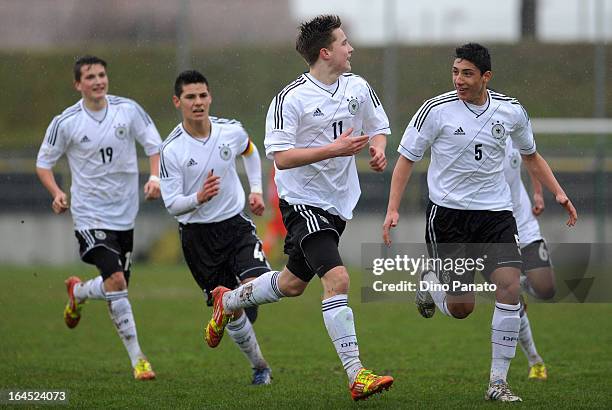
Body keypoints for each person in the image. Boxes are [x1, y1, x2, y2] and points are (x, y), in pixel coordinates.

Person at [203, 15, 393, 401]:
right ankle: (357, 374)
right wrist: (334, 149)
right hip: (302, 202)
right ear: (326, 52)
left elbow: (379, 126)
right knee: (337, 279)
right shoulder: (290, 98)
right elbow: (281, 157)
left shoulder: (358, 86)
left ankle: (229, 300)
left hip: (339, 202)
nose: (350, 48)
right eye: (343, 42)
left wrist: (378, 149)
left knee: (291, 284)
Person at [382, 43, 577, 402]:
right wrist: (393, 209)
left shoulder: (510, 111)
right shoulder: (434, 111)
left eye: (467, 73)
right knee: (461, 308)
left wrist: (558, 193)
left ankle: (498, 383)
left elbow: (532, 156)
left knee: (509, 288)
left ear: (486, 76)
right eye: (455, 72)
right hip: (449, 218)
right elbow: (406, 160)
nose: (459, 80)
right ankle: (430, 284)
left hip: (496, 216)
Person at [35, 55, 162, 380]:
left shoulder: (128, 110)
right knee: (117, 282)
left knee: (114, 285)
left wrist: (155, 177)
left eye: (102, 75)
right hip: (90, 216)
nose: (98, 81)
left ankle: (77, 293)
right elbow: (43, 163)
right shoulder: (66, 122)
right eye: (90, 77)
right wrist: (57, 193)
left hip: (125, 214)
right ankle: (139, 360)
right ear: (78, 84)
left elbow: (153, 145)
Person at [159, 70, 272, 385]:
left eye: (202, 96)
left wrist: (256, 190)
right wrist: (199, 197)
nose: (198, 103)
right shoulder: (171, 150)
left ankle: (226, 309)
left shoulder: (230, 131)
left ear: (210, 97)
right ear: (177, 102)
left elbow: (250, 150)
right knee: (239, 313)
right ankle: (260, 367)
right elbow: (171, 204)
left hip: (236, 225)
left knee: (259, 286)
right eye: (190, 97)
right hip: (198, 238)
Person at [503, 138, 555, 381]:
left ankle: (521, 282)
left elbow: (530, 156)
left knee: (546, 288)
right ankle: (535, 361)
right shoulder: (465, 138)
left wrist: (537, 192)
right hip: (494, 228)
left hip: (523, 223)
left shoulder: (508, 122)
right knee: (511, 299)